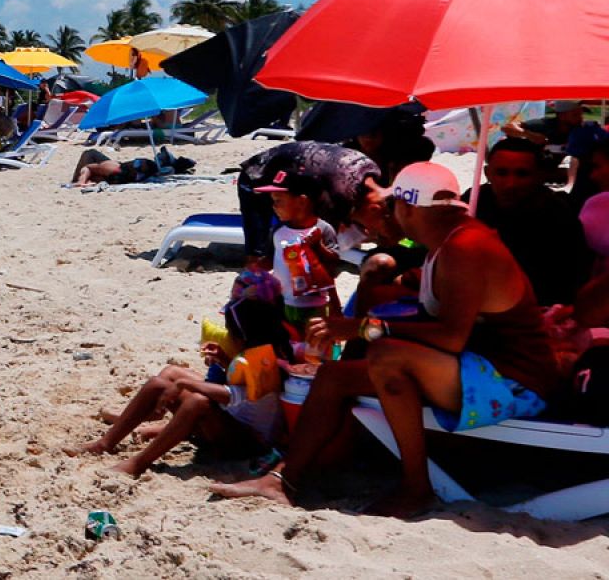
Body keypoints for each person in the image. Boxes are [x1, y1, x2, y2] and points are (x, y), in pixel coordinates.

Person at [211, 162, 560, 517]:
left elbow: (451, 338)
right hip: (479, 366)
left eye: (393, 208)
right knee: (334, 377)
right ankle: (284, 479)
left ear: (409, 208)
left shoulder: (466, 248)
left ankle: (416, 488)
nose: (388, 218)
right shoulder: (449, 241)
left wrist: (364, 327)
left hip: (514, 382)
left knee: (389, 355)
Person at [69, 298, 291, 476]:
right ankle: (106, 443)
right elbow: (240, 391)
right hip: (232, 421)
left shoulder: (269, 366)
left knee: (196, 401)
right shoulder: (254, 354)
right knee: (165, 378)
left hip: (247, 443)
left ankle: (139, 462)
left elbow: (232, 395)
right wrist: (224, 361)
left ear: (241, 338)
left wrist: (186, 384)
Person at [463, 138, 591, 306]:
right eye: (502, 173)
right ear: (488, 173)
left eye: (522, 174)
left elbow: (571, 278)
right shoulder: (473, 202)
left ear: (539, 176)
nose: (510, 184)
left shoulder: (557, 215)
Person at [237, 141, 381, 270]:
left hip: (291, 171)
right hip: (255, 176)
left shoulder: (366, 176)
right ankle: (249, 284)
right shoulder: (339, 195)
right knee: (259, 251)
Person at [256, 170, 342, 327]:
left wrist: (317, 246)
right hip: (283, 301)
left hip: (316, 305)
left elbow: (332, 268)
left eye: (278, 201)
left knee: (313, 346)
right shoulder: (277, 230)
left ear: (302, 202)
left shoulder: (322, 230)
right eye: (273, 201)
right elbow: (270, 260)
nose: (274, 206)